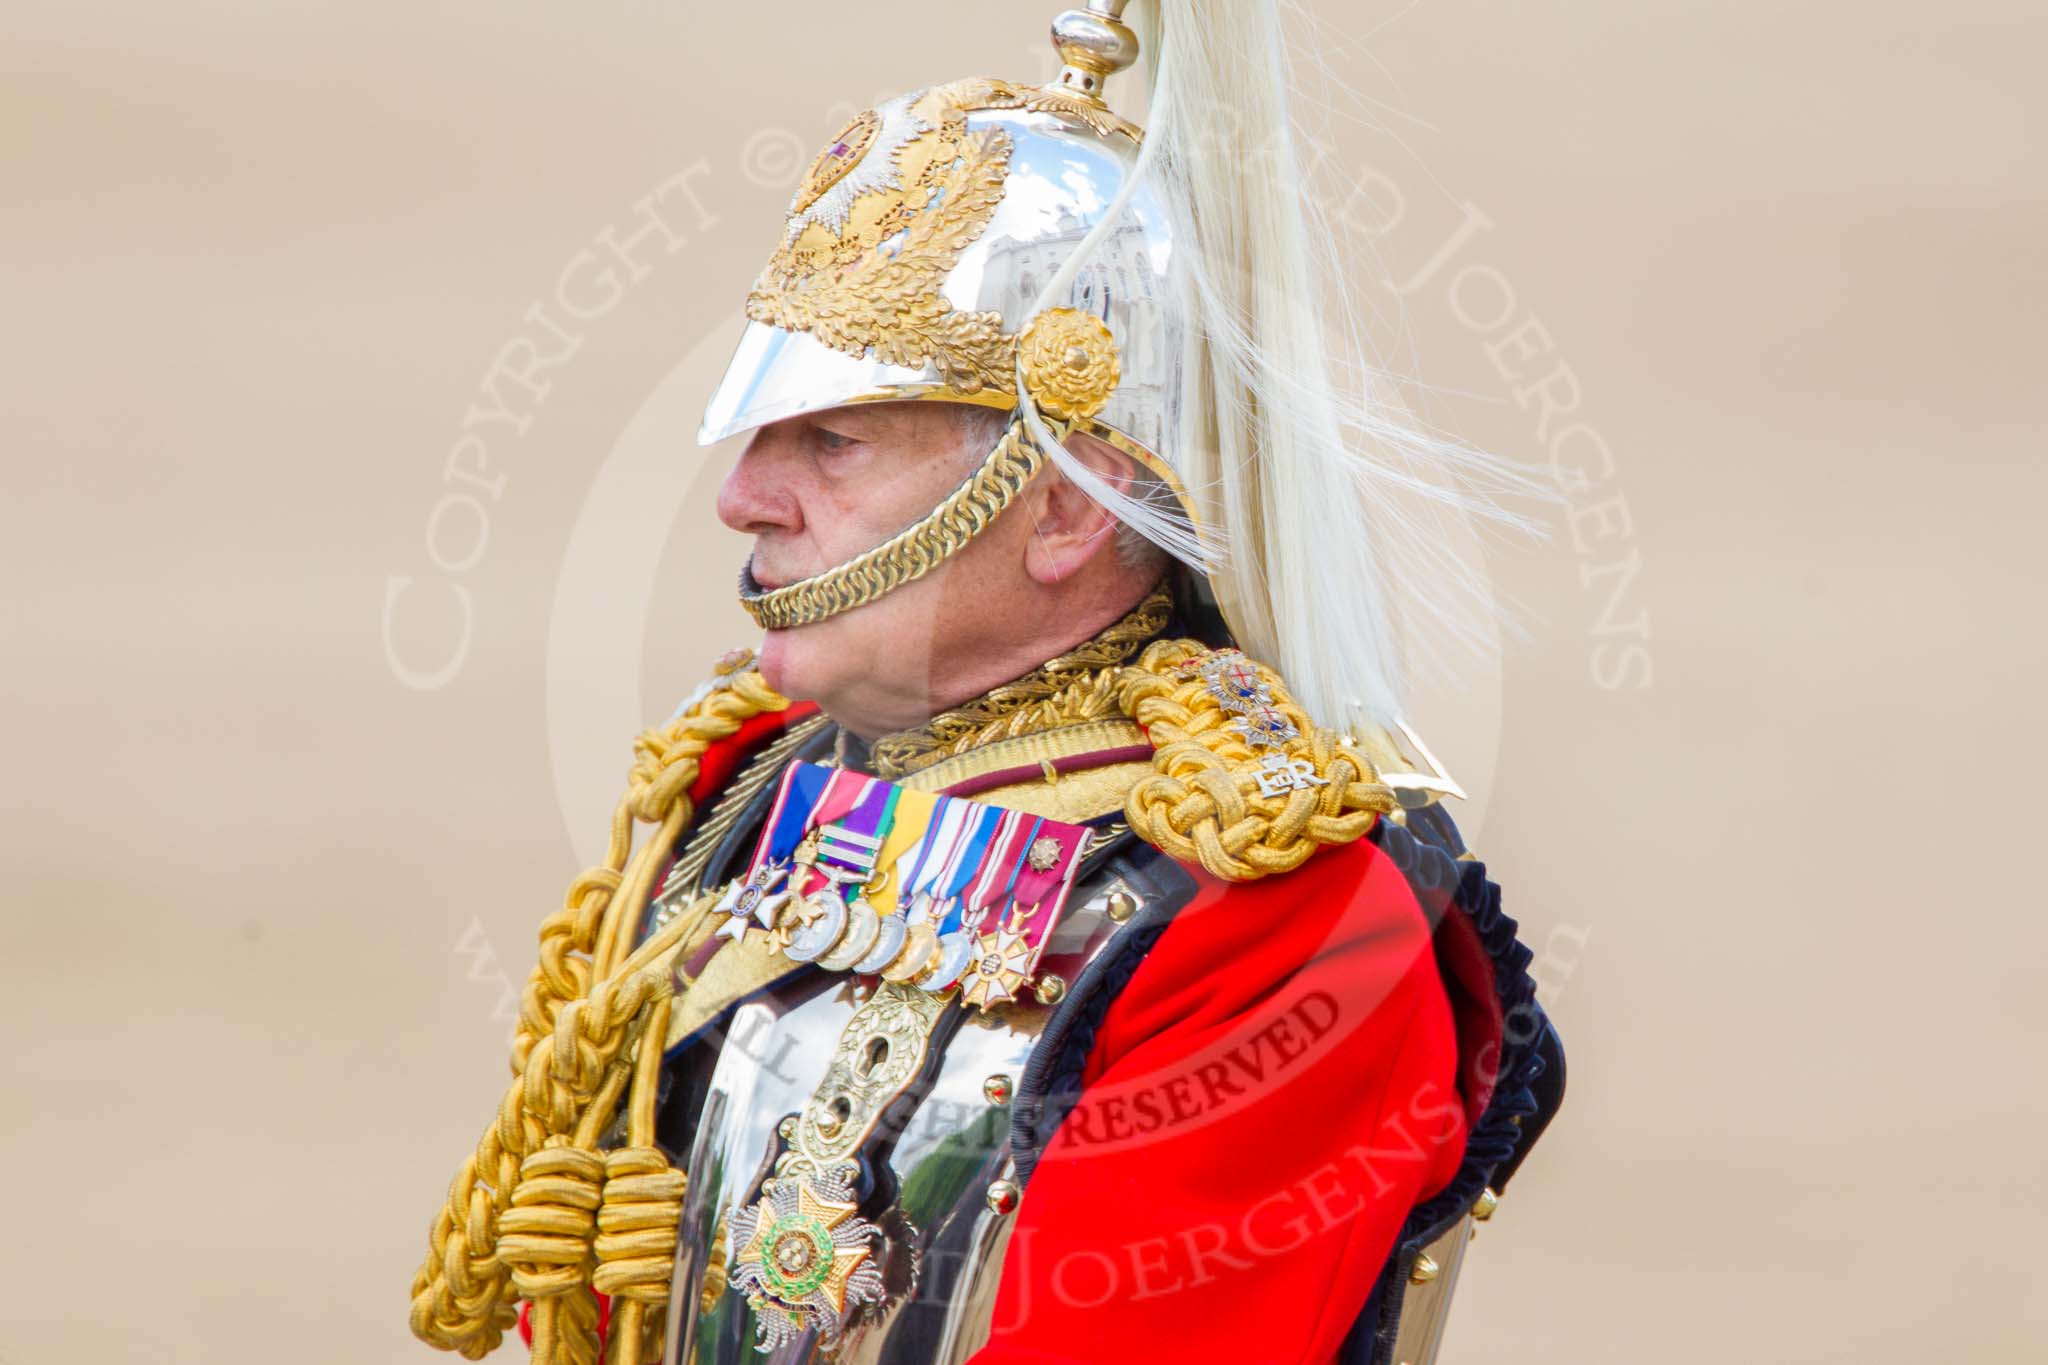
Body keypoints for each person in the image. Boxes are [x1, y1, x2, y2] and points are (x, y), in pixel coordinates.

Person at [408, 3, 1564, 1363]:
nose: (738, 497)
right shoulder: (750, 775)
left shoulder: (1287, 928)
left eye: (831, 442)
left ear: (1071, 509)